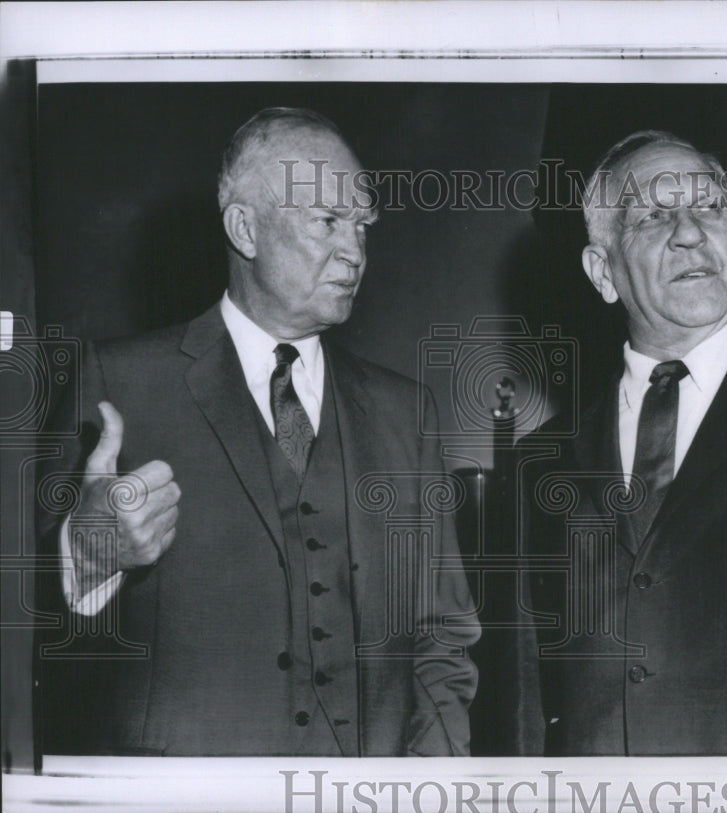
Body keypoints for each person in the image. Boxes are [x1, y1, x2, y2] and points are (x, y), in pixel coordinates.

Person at [38, 107, 480, 756]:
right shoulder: (117, 382)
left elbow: (443, 636)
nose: (354, 250)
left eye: (362, 225)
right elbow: (24, 620)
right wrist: (90, 546)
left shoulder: (406, 413)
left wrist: (428, 784)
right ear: (244, 227)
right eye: (328, 220)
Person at [518, 130, 727, 755]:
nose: (692, 232)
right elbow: (528, 699)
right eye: (654, 216)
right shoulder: (542, 462)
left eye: (710, 208)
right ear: (602, 269)